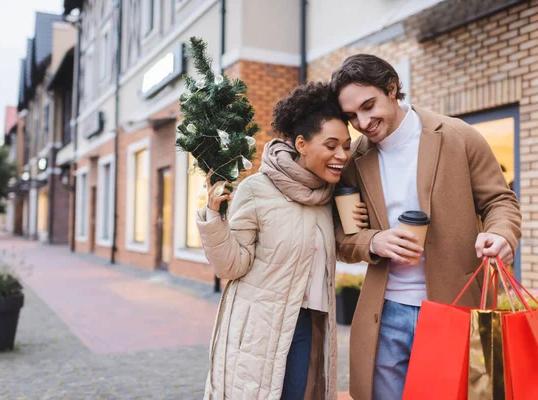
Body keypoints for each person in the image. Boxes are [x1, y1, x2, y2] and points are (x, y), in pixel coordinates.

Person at [330, 54, 522, 400]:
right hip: (385, 314)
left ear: (392, 88)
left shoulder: (458, 135)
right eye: (351, 116)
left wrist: (501, 233)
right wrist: (374, 241)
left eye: (369, 106)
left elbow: (500, 201)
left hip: (460, 307)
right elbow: (343, 235)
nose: (362, 122)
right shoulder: (354, 159)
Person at [196, 82, 368, 399]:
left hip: (309, 324)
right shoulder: (258, 189)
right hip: (260, 326)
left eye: (346, 145)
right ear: (301, 144)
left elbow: (344, 249)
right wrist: (213, 216)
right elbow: (231, 266)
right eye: (331, 146)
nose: (342, 155)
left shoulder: (330, 195)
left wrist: (362, 230)